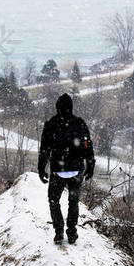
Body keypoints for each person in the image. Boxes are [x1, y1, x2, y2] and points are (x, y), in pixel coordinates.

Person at [38, 93, 95, 244]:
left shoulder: (51, 124)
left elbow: (44, 150)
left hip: (58, 170)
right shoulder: (79, 123)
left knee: (53, 200)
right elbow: (88, 146)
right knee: (73, 201)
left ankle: (58, 231)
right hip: (76, 169)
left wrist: (41, 168)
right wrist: (90, 165)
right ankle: (72, 232)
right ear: (71, 107)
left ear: (57, 107)